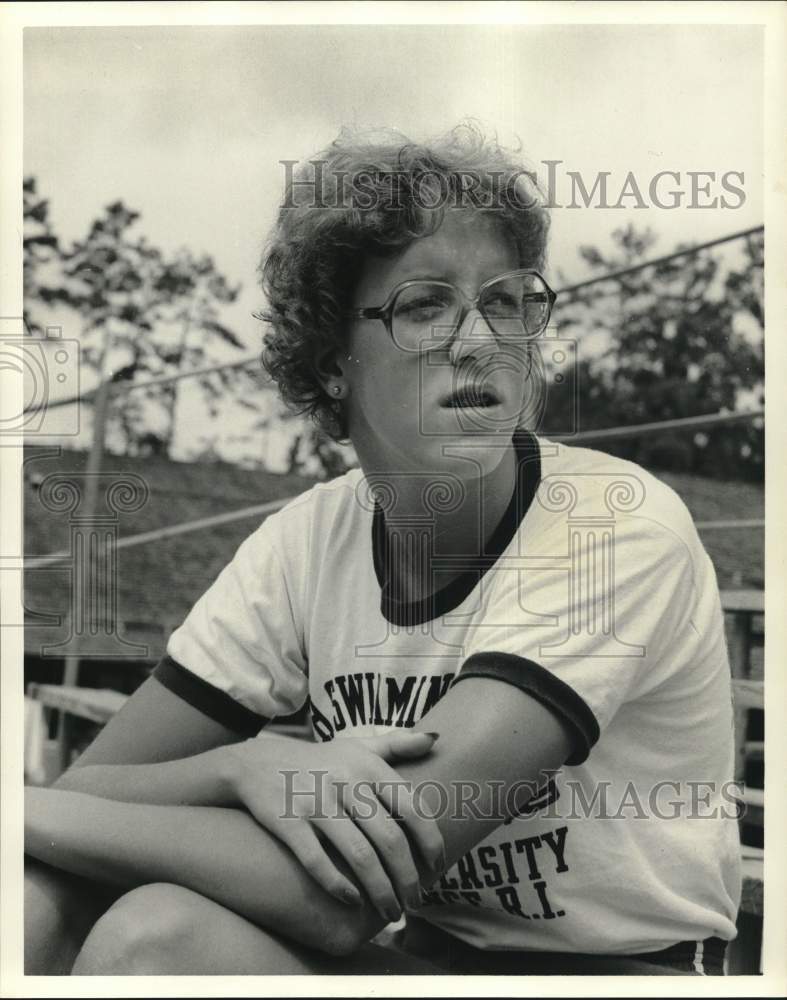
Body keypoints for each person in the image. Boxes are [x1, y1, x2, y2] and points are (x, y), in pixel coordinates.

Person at [24, 124, 741, 976]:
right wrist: (236, 766)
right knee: (34, 898)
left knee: (158, 936)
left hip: (615, 978)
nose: (478, 338)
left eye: (508, 300)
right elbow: (84, 791)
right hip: (426, 965)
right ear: (332, 360)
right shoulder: (307, 542)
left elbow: (336, 902)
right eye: (424, 305)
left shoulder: (609, 524)